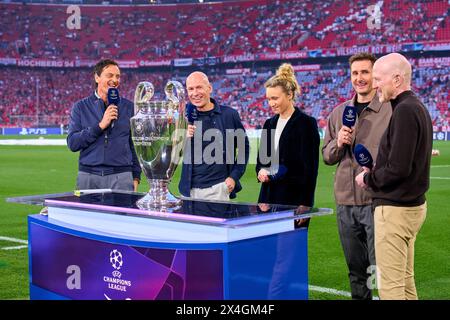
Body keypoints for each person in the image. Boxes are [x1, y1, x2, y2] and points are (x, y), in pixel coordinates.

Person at [355, 53, 433, 300]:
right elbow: (403, 161)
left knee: (390, 288)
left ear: (397, 79)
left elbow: (399, 169)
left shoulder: (404, 110)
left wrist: (368, 179)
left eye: (378, 78)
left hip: (396, 210)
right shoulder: (416, 106)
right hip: (412, 207)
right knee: (405, 282)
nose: (374, 84)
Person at [322, 53, 392, 300]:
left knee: (381, 270)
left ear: (374, 76)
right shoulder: (338, 112)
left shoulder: (389, 109)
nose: (360, 78)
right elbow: (327, 156)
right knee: (356, 271)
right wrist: (338, 143)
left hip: (376, 201)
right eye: (355, 73)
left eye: (365, 72)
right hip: (345, 203)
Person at [67, 59, 141, 191]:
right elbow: (73, 143)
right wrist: (100, 126)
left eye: (117, 76)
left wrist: (136, 176)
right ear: (97, 77)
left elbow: (134, 145)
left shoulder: (129, 107)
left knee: (121, 212)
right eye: (109, 75)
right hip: (88, 176)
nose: (115, 80)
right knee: (88, 212)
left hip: (121, 176)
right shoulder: (80, 107)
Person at [256, 63, 319, 211]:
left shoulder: (306, 124)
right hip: (267, 198)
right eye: (268, 99)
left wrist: (305, 203)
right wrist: (261, 172)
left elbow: (310, 169)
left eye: (275, 98)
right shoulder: (269, 124)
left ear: (289, 95)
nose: (271, 103)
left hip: (294, 200)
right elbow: (262, 161)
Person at [178, 71, 249, 201]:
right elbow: (170, 153)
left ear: (209, 88)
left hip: (219, 189)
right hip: (188, 192)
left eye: (199, 87)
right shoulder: (182, 117)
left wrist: (234, 176)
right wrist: (180, 137)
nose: (195, 93)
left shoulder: (229, 115)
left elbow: (244, 148)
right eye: (191, 89)